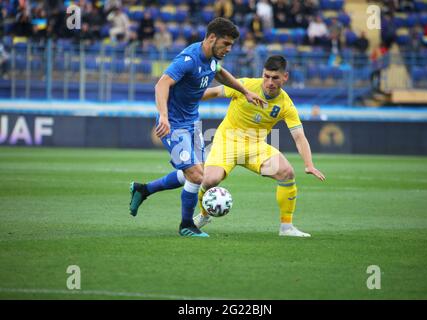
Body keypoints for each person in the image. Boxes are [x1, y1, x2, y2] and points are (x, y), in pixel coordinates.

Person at [129, 18, 266, 238]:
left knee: (196, 174)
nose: (229, 49)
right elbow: (161, 84)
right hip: (174, 125)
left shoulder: (212, 58)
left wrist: (245, 91)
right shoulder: (188, 59)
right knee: (195, 175)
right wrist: (163, 116)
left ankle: (143, 189)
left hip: (192, 122)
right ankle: (186, 225)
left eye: (231, 45)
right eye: (226, 44)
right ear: (212, 38)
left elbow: (220, 73)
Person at [193, 55, 326, 237]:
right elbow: (215, 92)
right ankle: (204, 215)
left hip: (255, 147)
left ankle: (286, 227)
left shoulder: (286, 104)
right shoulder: (245, 85)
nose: (269, 82)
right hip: (227, 142)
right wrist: (187, 100)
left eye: (275, 78)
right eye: (266, 76)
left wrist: (309, 164)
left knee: (287, 172)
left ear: (285, 77)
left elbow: (299, 136)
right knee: (209, 180)